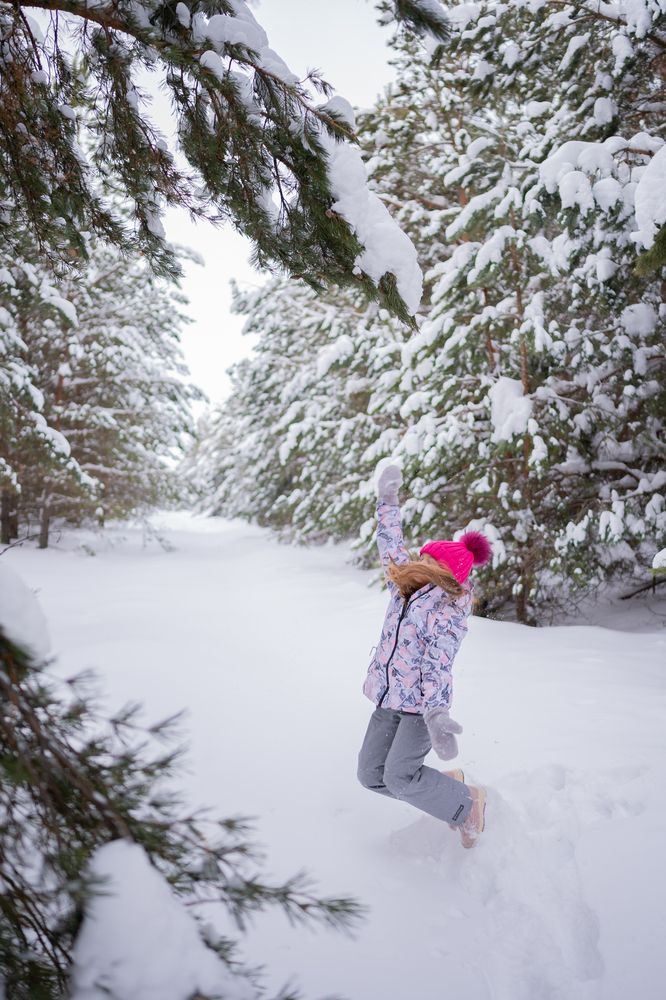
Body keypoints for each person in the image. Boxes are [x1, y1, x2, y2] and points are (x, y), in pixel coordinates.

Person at [357, 463, 491, 848]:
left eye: (430, 562)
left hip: (420, 708)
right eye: (424, 557)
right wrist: (387, 502)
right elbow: (390, 545)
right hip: (388, 698)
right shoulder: (404, 588)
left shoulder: (447, 610)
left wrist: (436, 714)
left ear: (445, 574)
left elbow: (438, 666)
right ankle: (447, 788)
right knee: (371, 774)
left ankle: (467, 805)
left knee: (400, 777)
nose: (420, 562)